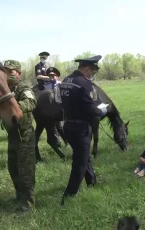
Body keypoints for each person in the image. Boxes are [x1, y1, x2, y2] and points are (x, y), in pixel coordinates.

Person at [59, 55, 109, 205]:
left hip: (67, 126)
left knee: (84, 156)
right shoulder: (84, 84)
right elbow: (91, 109)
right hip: (81, 128)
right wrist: (102, 111)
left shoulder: (66, 80)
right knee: (79, 163)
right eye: (92, 73)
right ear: (87, 69)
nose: (92, 76)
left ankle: (91, 181)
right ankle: (68, 196)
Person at [3, 59, 37, 212]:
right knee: (13, 168)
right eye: (5, 71)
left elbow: (31, 102)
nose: (8, 75)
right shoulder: (5, 88)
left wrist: (12, 107)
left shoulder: (23, 88)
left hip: (25, 135)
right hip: (12, 135)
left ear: (18, 73)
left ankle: (28, 204)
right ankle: (19, 196)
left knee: (26, 172)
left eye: (10, 72)